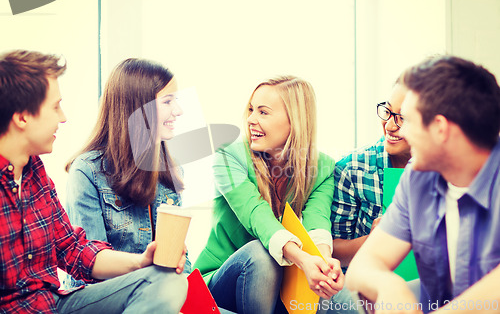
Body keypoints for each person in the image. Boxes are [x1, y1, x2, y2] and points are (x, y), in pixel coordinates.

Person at [0, 50, 187, 313]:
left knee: (166, 280)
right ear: (22, 117)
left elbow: (74, 250)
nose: (63, 117)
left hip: (54, 305)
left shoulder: (36, 175)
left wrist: (142, 262)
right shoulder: (87, 170)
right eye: (55, 107)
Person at [346, 55, 500, 313]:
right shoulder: (417, 179)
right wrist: (388, 286)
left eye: (408, 120)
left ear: (440, 128)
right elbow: (362, 268)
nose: (401, 132)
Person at [194, 76, 343, 314]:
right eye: (251, 110)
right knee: (260, 255)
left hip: (280, 285)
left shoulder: (323, 167)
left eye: (263, 112)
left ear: (294, 121)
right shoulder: (229, 157)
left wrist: (324, 264)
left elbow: (318, 221)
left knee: (339, 293)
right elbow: (256, 215)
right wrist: (303, 260)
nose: (251, 119)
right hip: (220, 280)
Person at [62, 58, 190, 289]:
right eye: (168, 101)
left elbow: (180, 260)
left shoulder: (171, 170)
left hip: (162, 292)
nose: (178, 111)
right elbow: (90, 268)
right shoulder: (87, 171)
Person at [331, 81, 411, 268]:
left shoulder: (450, 172)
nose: (390, 126)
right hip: (366, 279)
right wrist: (372, 240)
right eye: (388, 112)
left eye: (403, 118)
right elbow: (330, 251)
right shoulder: (352, 168)